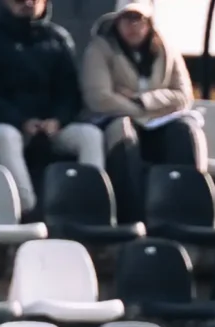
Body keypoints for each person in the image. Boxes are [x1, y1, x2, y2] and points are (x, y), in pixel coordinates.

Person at [0, 0, 103, 216]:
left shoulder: (58, 39)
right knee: (8, 136)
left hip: (48, 127)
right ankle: (26, 208)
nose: (28, 3)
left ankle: (89, 205)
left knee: (90, 135)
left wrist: (58, 120)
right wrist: (21, 121)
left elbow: (70, 94)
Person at [78, 0, 202, 220]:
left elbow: (184, 96)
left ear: (149, 23)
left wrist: (142, 101)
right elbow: (99, 97)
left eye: (138, 19)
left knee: (183, 132)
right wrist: (142, 111)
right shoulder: (100, 49)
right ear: (116, 22)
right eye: (126, 19)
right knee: (124, 134)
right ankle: (131, 215)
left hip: (159, 122)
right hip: (119, 119)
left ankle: (184, 212)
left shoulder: (167, 49)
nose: (132, 25)